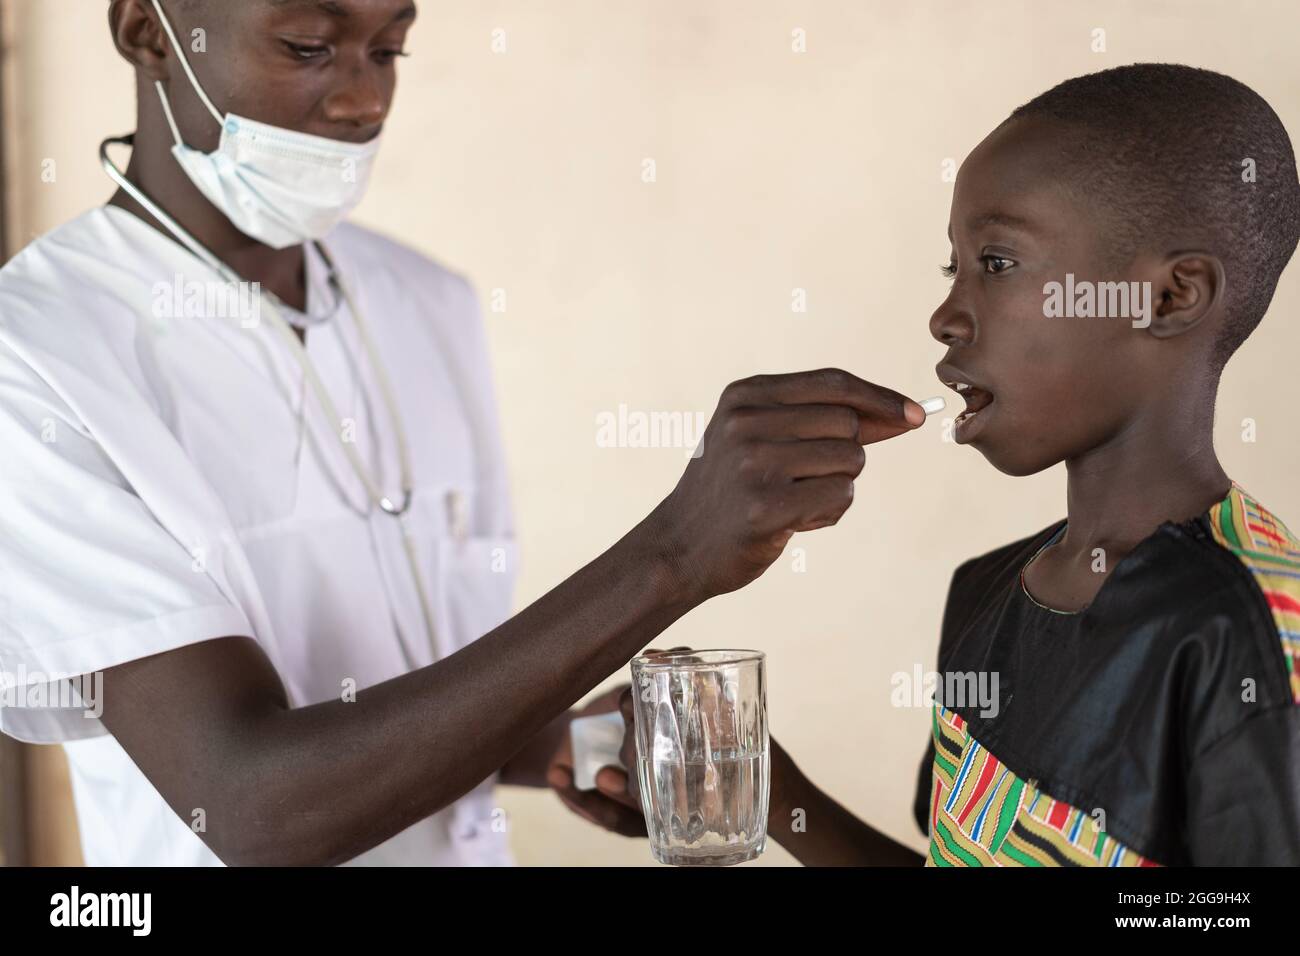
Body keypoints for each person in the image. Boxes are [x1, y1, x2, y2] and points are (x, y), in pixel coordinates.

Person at [0, 0, 933, 865]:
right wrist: (675, 554)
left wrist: (552, 740)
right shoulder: (39, 356)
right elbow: (249, 803)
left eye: (389, 46)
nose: (365, 96)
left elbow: (398, 677)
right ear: (147, 31)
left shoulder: (422, 302)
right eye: (307, 47)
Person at [580, 63, 1300, 866]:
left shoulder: (1260, 632)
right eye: (950, 267)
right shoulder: (986, 595)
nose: (945, 315)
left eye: (996, 263)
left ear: (1168, 298)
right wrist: (769, 792)